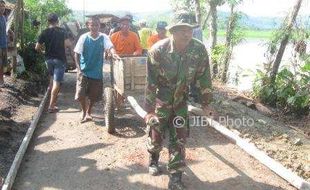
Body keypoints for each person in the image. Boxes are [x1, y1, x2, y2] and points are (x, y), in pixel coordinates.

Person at [144, 14, 213, 190]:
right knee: (156, 136)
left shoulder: (198, 50)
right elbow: (151, 82)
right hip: (162, 99)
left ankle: (175, 177)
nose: (187, 34)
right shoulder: (158, 51)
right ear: (173, 31)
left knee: (179, 138)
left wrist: (206, 104)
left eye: (190, 29)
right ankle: (153, 158)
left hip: (182, 101)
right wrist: (149, 110)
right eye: (182, 30)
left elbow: (204, 78)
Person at [74, 16, 119, 123]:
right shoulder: (84, 37)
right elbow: (76, 54)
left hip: (96, 72)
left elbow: (110, 47)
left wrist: (114, 53)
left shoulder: (104, 37)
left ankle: (89, 112)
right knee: (80, 94)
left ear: (100, 26)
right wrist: (78, 69)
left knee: (93, 96)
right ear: (88, 26)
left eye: (97, 25)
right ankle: (83, 111)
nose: (94, 27)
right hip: (84, 71)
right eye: (92, 25)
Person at [35, 13, 73, 112]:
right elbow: (68, 44)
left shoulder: (44, 32)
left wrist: (44, 51)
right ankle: (51, 106)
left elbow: (37, 47)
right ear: (57, 21)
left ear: (48, 22)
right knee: (57, 83)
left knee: (52, 79)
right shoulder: (63, 31)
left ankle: (51, 101)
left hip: (48, 60)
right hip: (59, 60)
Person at [0, 0, 7, 88]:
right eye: (0, 6)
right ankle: (1, 81)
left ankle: (1, 80)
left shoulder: (4, 18)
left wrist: (10, 33)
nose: (2, 8)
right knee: (0, 63)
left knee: (3, 64)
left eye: (3, 6)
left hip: (4, 44)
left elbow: (4, 30)